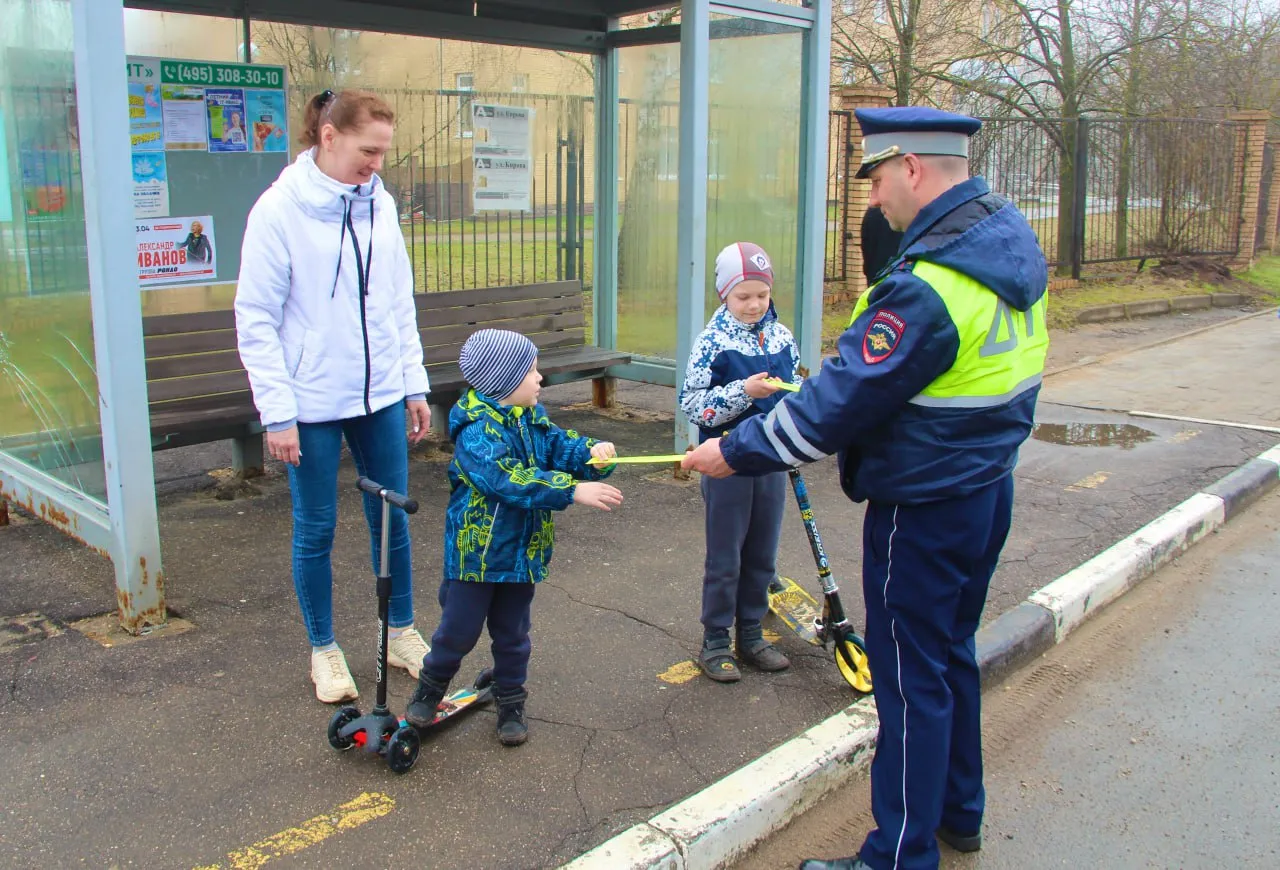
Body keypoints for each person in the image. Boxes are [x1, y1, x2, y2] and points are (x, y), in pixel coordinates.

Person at [681, 106, 1050, 870]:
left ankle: (897, 857)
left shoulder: (930, 286)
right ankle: (959, 813)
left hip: (925, 506)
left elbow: (830, 411)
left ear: (911, 167)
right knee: (949, 656)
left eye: (878, 179)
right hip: (986, 488)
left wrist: (733, 451)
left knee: (910, 682)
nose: (875, 199)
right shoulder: (1009, 243)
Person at [235, 89, 433, 704]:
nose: (376, 164)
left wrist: (414, 383)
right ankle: (323, 648)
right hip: (310, 403)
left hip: (379, 394)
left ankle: (398, 631)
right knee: (315, 527)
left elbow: (398, 302)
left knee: (392, 516)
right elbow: (256, 318)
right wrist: (279, 414)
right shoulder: (278, 211)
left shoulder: (381, 205)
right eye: (367, 150)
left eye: (383, 153)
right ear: (328, 137)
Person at [404, 329, 623, 746]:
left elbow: (563, 447)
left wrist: (593, 454)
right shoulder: (476, 431)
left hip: (522, 554)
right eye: (531, 372)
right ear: (502, 382)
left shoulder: (532, 420)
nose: (540, 379)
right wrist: (571, 489)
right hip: (477, 554)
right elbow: (505, 478)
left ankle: (510, 700)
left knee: (513, 633)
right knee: (458, 630)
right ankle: (429, 690)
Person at [678, 242, 799, 682]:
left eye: (761, 295)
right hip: (725, 461)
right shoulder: (711, 342)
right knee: (726, 554)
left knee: (762, 552)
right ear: (723, 294)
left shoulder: (782, 338)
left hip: (769, 459)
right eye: (742, 296)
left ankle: (751, 633)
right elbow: (693, 406)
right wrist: (743, 391)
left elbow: (794, 392)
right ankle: (715, 640)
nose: (753, 305)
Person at [860, 205, 903, 284]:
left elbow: (866, 249)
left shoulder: (872, 213)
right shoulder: (908, 215)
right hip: (900, 274)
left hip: (876, 275)